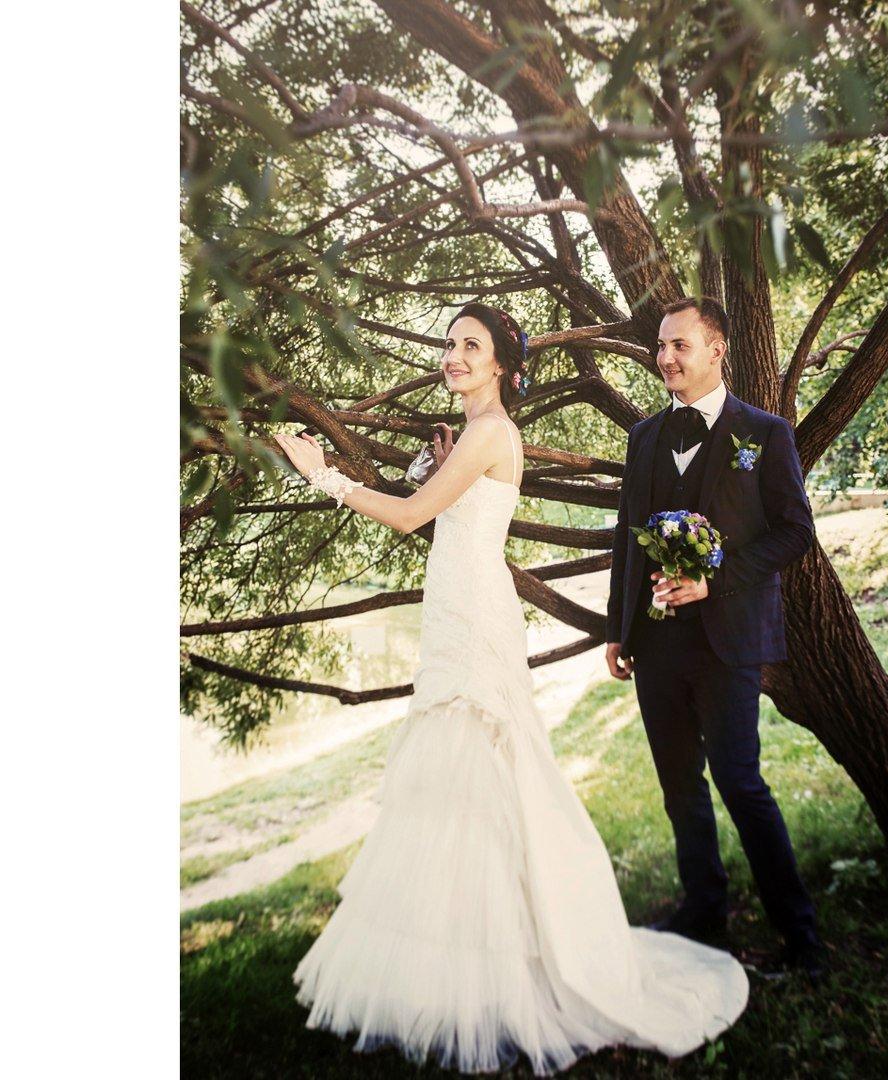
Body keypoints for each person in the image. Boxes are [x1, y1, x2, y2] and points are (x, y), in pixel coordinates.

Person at [274, 302, 747, 1075]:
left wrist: (321, 474)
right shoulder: (476, 433)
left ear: (500, 363)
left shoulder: (492, 431)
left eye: (472, 345)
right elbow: (444, 509)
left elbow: (409, 518)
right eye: (449, 343)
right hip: (458, 607)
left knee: (485, 770)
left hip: (473, 617)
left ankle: (507, 959)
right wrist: (434, 467)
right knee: (455, 780)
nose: (453, 355)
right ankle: (456, 955)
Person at [605, 296, 825, 979]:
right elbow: (626, 541)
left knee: (739, 782)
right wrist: (616, 628)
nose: (665, 357)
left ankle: (803, 939)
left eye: (680, 345)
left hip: (728, 642)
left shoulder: (765, 433)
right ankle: (704, 912)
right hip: (655, 644)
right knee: (679, 785)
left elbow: (796, 533)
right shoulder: (644, 438)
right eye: (661, 346)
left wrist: (715, 578)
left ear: (717, 349)